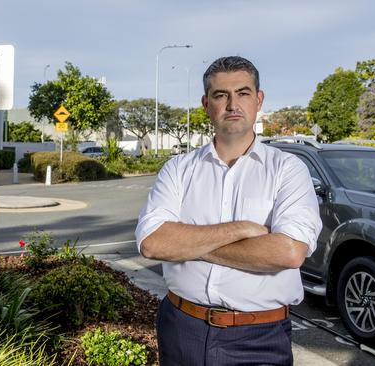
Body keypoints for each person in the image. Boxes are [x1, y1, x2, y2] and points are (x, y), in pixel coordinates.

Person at [135, 56, 322, 366]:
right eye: (221, 95)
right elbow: (153, 243)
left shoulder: (288, 170)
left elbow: (289, 252)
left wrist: (189, 246)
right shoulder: (178, 169)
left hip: (259, 338)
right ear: (206, 103)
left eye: (243, 93)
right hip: (181, 328)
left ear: (258, 100)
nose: (232, 103)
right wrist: (241, 230)